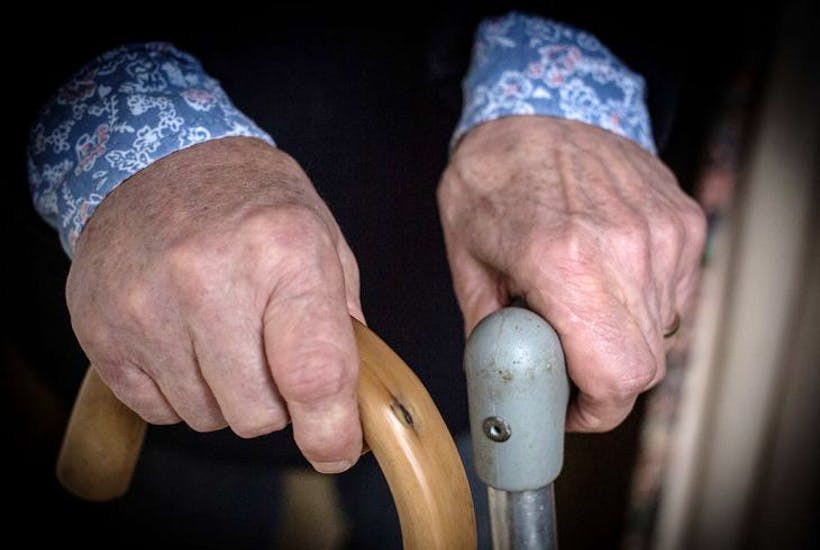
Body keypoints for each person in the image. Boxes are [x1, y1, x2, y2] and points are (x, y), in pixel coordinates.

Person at [25, 9, 705, 548]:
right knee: (182, 482)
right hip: (162, 312)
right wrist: (128, 124)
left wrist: (563, 81)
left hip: (461, 319)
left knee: (453, 485)